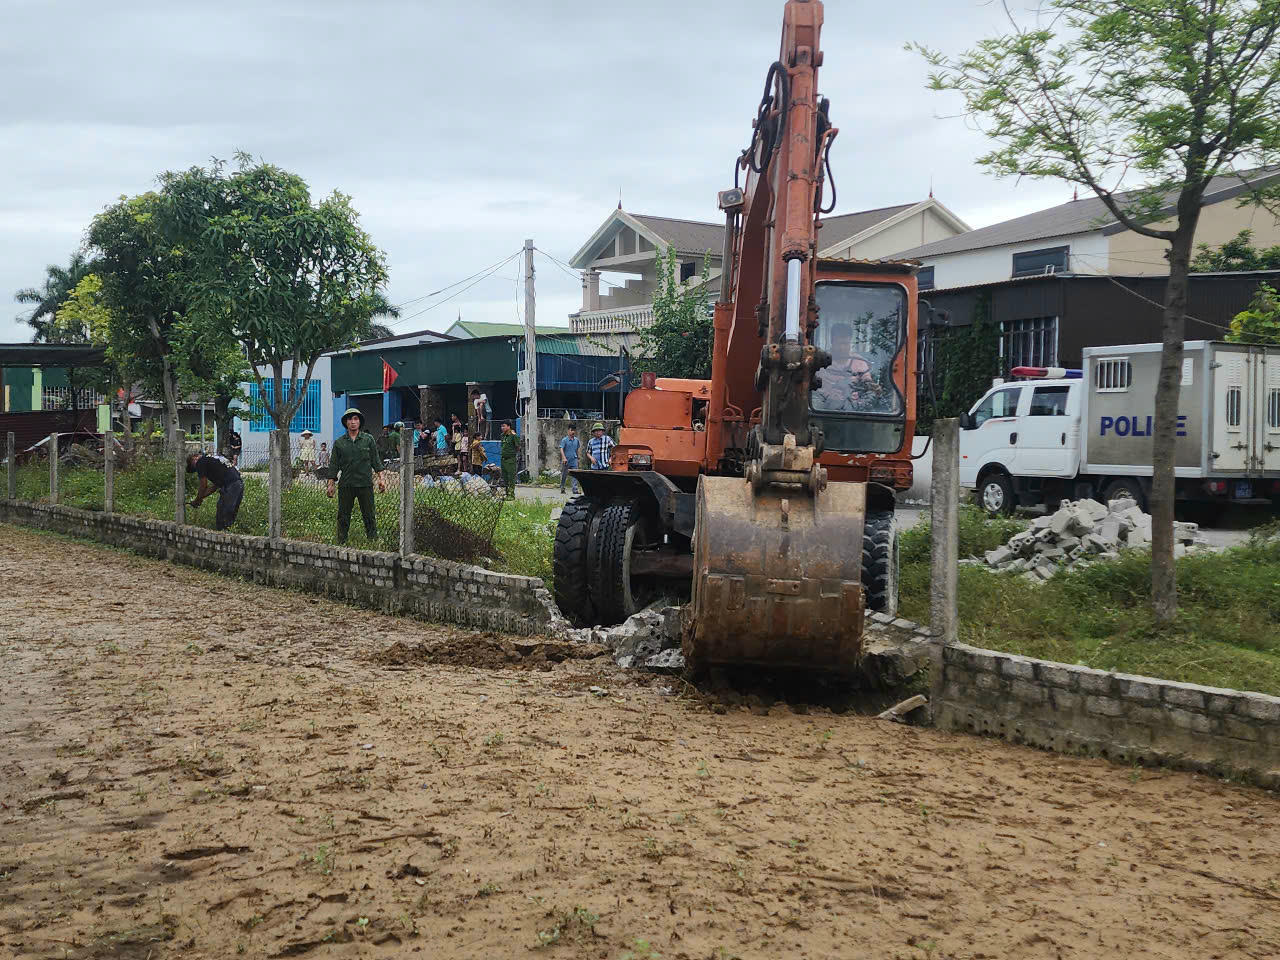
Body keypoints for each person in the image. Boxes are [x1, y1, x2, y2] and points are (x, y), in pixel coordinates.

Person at [328, 407, 386, 544]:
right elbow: (333, 465)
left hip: (364, 484)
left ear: (360, 422)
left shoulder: (368, 440)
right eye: (350, 419)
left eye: (355, 419)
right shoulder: (339, 443)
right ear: (346, 423)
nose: (353, 422)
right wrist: (330, 485)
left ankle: (372, 541)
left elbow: (376, 461)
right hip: (346, 485)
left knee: (369, 515)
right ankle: (342, 541)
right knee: (343, 516)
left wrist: (381, 479)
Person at [811, 320, 882, 412]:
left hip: (854, 408)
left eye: (846, 343)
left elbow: (867, 383)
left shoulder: (859, 363)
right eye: (839, 343)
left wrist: (873, 388)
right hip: (825, 407)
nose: (842, 348)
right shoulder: (821, 361)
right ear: (832, 342)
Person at [186, 451, 244, 531]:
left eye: (193, 467)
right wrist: (199, 498)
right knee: (226, 514)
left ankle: (224, 537)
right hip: (238, 484)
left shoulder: (200, 461)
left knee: (224, 516)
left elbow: (203, 485)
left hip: (231, 486)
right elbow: (213, 488)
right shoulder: (213, 459)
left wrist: (197, 500)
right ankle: (227, 535)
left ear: (194, 458)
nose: (196, 469)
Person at [499, 420, 519, 499]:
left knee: (511, 478)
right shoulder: (502, 435)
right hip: (503, 459)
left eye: (504, 426)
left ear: (508, 426)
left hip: (510, 459)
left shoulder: (513, 435)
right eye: (501, 426)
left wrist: (512, 453)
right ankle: (507, 494)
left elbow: (517, 447)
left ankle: (511, 495)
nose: (502, 428)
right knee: (505, 478)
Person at [558, 425, 580, 494]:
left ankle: (575, 489)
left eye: (574, 430)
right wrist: (564, 458)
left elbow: (577, 449)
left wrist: (578, 458)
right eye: (571, 430)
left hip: (574, 460)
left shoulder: (576, 440)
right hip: (566, 460)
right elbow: (561, 449)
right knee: (564, 475)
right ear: (568, 431)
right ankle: (562, 487)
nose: (573, 432)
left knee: (575, 475)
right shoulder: (564, 440)